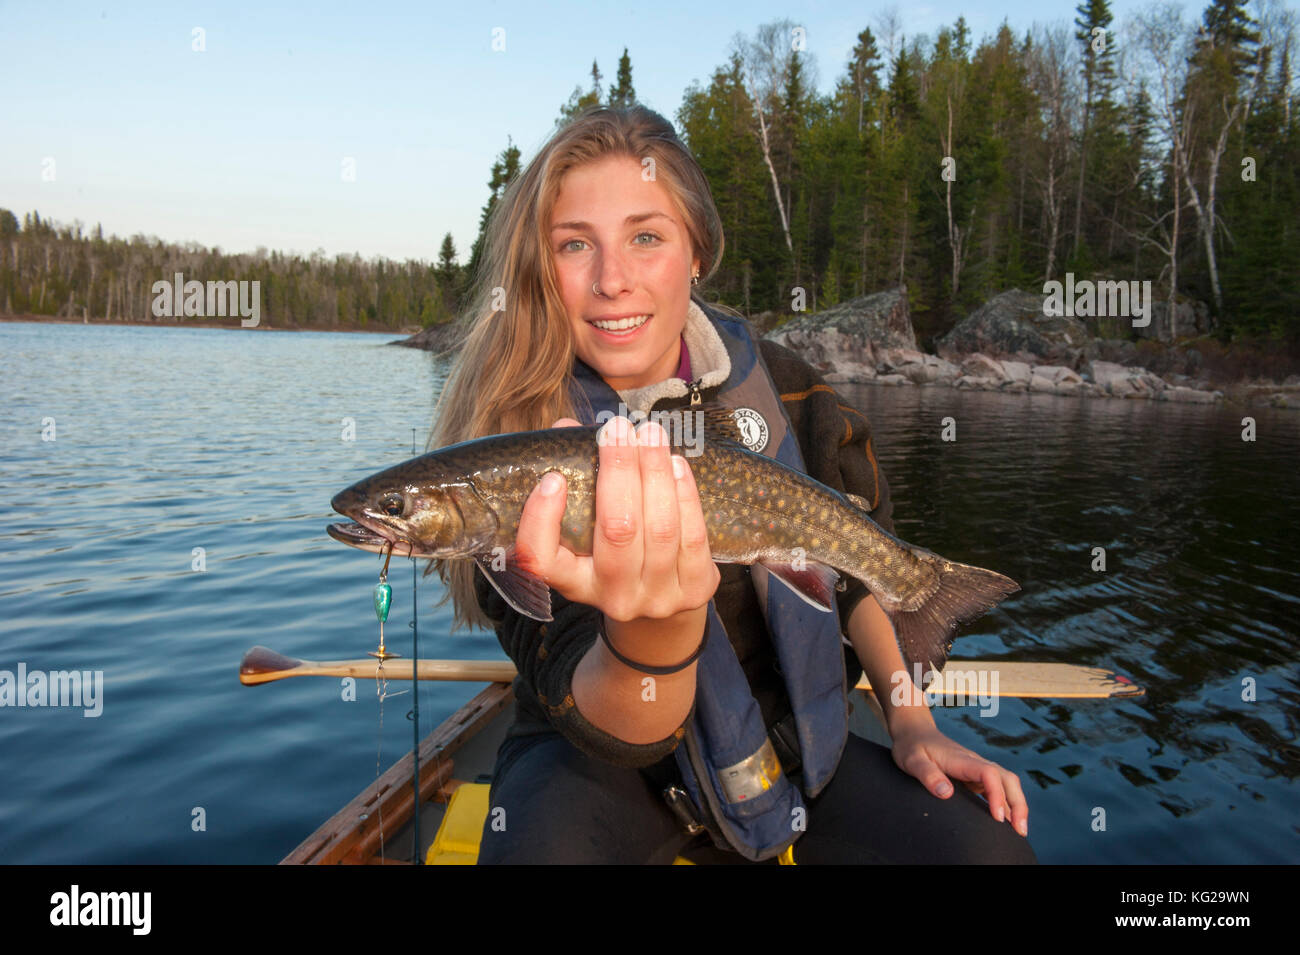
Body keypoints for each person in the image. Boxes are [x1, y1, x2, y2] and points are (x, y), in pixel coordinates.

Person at [429, 104, 1035, 864]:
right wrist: (657, 629)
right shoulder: (508, 454)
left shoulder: (792, 395)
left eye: (646, 237)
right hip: (598, 764)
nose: (613, 279)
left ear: (697, 253)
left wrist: (913, 723)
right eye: (575, 245)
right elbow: (621, 720)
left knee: (991, 856)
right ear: (538, 272)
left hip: (792, 743)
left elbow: (853, 579)